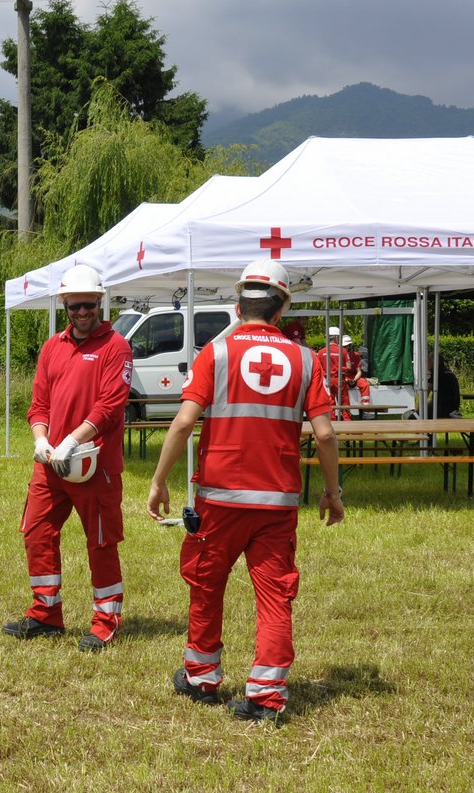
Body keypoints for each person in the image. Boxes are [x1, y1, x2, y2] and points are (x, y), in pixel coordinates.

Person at [147, 258, 343, 725]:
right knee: (275, 596)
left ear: (238, 306)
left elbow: (183, 422)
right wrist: (332, 492)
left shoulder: (214, 354)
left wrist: (158, 482)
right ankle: (267, 695)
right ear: (280, 311)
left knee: (205, 584)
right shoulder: (306, 359)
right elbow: (327, 435)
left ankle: (201, 676)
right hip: (277, 502)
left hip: (220, 498)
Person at [1, 263, 132, 653]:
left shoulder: (116, 347)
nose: (81, 313)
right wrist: (41, 438)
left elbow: (110, 407)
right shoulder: (52, 346)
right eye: (74, 306)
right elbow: (38, 404)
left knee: (101, 542)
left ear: (99, 302)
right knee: (36, 531)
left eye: (88, 305)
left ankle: (106, 620)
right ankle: (46, 613)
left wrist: (74, 440)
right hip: (51, 464)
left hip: (95, 464)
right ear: (64, 305)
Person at [316, 325, 353, 421]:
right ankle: (348, 427)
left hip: (327, 381)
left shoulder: (321, 352)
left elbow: (318, 368)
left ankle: (332, 426)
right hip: (340, 380)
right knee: (344, 405)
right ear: (336, 337)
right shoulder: (343, 351)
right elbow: (349, 367)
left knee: (330, 405)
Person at [341, 333, 373, 412]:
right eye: (343, 347)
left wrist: (354, 380)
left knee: (364, 384)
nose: (345, 348)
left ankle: (366, 407)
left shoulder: (355, 356)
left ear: (350, 346)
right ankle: (344, 409)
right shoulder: (339, 356)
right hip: (343, 377)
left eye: (346, 346)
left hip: (353, 376)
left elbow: (359, 371)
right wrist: (347, 380)